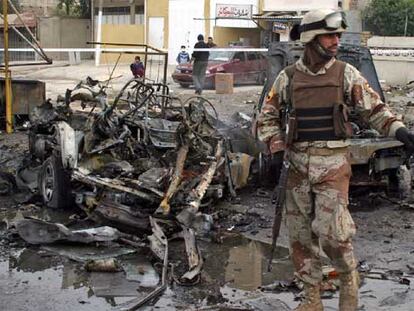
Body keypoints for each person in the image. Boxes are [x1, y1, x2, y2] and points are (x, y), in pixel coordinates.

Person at [257, 9, 414, 311]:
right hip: (297, 168)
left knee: (334, 236)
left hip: (332, 165)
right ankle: (311, 299)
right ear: (311, 38)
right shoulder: (287, 77)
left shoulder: (345, 73)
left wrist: (400, 130)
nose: (336, 41)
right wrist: (276, 148)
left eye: (338, 35)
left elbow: (375, 110)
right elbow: (267, 118)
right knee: (301, 241)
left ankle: (349, 290)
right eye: (330, 35)